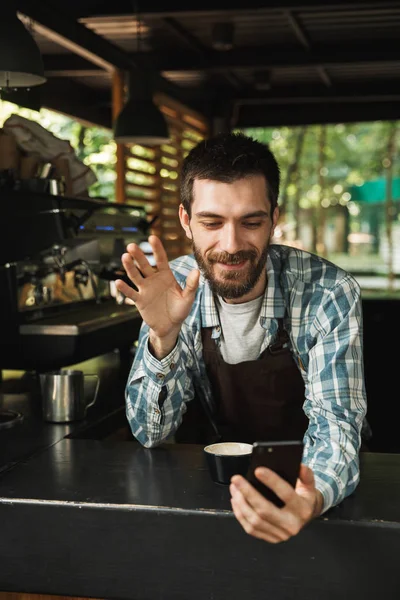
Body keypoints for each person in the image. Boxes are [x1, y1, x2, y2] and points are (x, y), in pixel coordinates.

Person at [115, 131, 367, 544]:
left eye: (251, 222)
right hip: (212, 491)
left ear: (274, 217)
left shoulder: (327, 292)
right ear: (185, 220)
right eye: (212, 222)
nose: (231, 246)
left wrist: (310, 497)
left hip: (314, 489)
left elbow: (337, 424)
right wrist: (164, 337)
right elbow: (150, 433)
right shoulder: (171, 286)